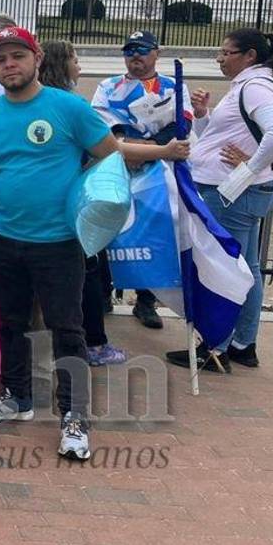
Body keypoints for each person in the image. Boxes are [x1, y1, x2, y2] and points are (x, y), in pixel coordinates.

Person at [0, 27, 119, 461]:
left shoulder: (68, 107)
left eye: (17, 55)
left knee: (66, 329)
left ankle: (74, 416)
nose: (9, 65)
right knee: (11, 323)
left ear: (37, 59)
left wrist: (88, 204)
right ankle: (17, 395)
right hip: (4, 238)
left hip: (59, 241)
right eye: (0, 59)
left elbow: (109, 154)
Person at [166, 29, 273, 373]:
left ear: (249, 55)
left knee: (224, 268)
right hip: (239, 192)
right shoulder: (252, 84)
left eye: (226, 53)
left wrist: (249, 168)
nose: (220, 59)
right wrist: (203, 114)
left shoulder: (255, 87)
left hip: (232, 194)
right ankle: (242, 344)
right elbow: (221, 138)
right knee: (246, 267)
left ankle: (216, 348)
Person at [91, 31, 193, 331]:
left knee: (155, 230)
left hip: (160, 171)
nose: (135, 56)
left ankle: (146, 299)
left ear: (156, 53)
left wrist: (150, 149)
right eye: (129, 51)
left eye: (143, 50)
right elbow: (102, 123)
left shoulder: (173, 86)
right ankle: (105, 292)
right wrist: (128, 146)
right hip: (119, 164)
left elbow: (183, 122)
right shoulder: (108, 86)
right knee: (110, 228)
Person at [39, 41, 128, 367]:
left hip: (48, 206)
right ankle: (93, 342)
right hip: (71, 206)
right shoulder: (73, 105)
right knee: (87, 272)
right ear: (62, 64)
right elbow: (110, 150)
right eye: (75, 59)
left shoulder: (40, 103)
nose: (80, 66)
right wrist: (164, 151)